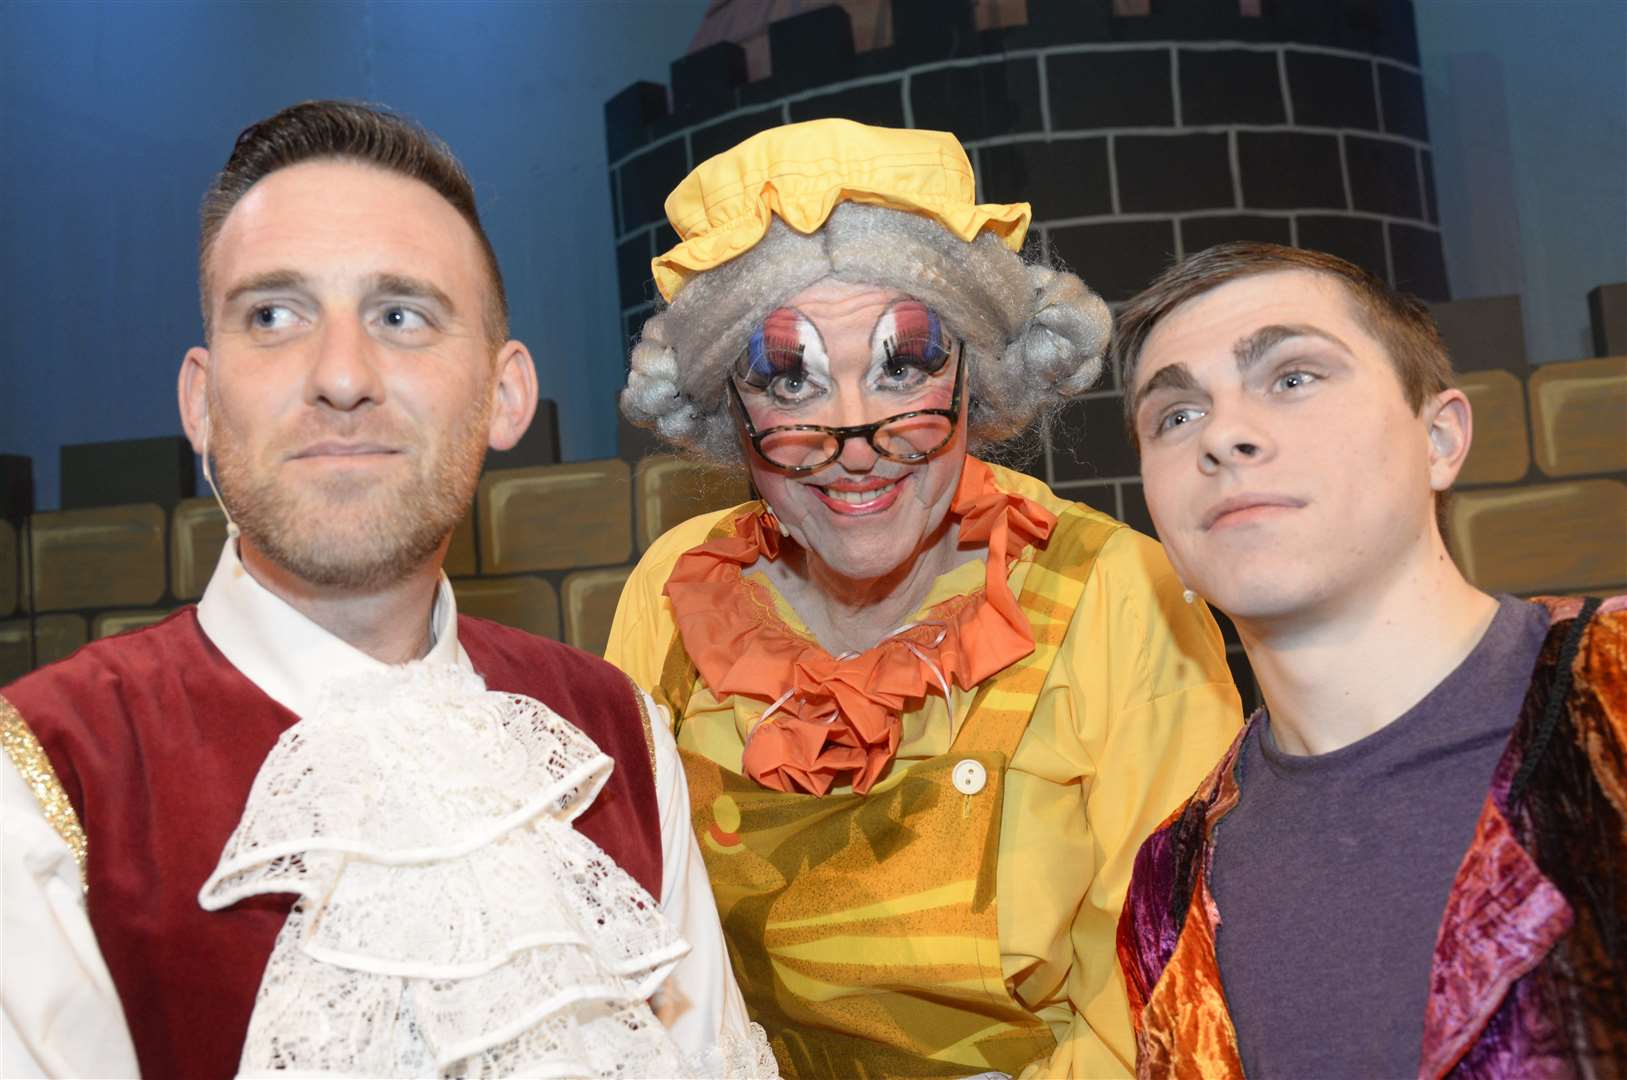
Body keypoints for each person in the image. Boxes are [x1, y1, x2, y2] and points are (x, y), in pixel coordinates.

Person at [0, 100, 773, 1079]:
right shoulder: (37, 786)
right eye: (273, 316)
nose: (340, 375)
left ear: (505, 394)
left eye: (400, 315)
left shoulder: (616, 735)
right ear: (200, 400)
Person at [604, 118, 1241, 1078]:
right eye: (789, 379)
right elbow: (623, 946)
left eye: (903, 366)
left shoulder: (1116, 592)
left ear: (976, 381)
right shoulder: (676, 589)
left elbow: (1174, 998)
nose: (854, 433)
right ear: (730, 415)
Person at [1114, 242, 1626, 1078]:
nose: (1224, 435)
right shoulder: (1170, 889)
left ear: (1439, 438)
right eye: (1174, 416)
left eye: (1292, 377)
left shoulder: (1612, 692)